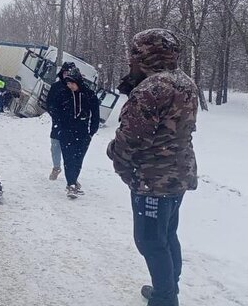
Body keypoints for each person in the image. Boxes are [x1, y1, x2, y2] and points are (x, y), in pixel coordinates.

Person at [107, 29, 198, 306]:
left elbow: (132, 139)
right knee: (166, 235)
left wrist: (113, 153)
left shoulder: (151, 89)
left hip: (153, 179)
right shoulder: (185, 82)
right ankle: (168, 288)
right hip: (178, 174)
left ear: (145, 53)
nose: (131, 59)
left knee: (150, 241)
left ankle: (165, 298)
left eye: (135, 53)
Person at [58, 67, 99, 198]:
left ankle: (73, 180)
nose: (70, 86)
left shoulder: (89, 94)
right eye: (68, 83)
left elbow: (95, 114)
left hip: (82, 132)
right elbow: (54, 108)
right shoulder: (64, 93)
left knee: (78, 158)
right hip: (66, 132)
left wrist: (92, 131)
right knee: (68, 158)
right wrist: (60, 124)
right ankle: (71, 184)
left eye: (72, 83)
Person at [45, 62, 76, 180]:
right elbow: (49, 104)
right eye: (65, 72)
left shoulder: (76, 88)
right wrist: (55, 116)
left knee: (70, 149)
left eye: (69, 73)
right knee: (55, 146)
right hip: (58, 122)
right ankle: (56, 167)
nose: (67, 75)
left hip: (72, 124)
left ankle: (72, 174)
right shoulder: (56, 87)